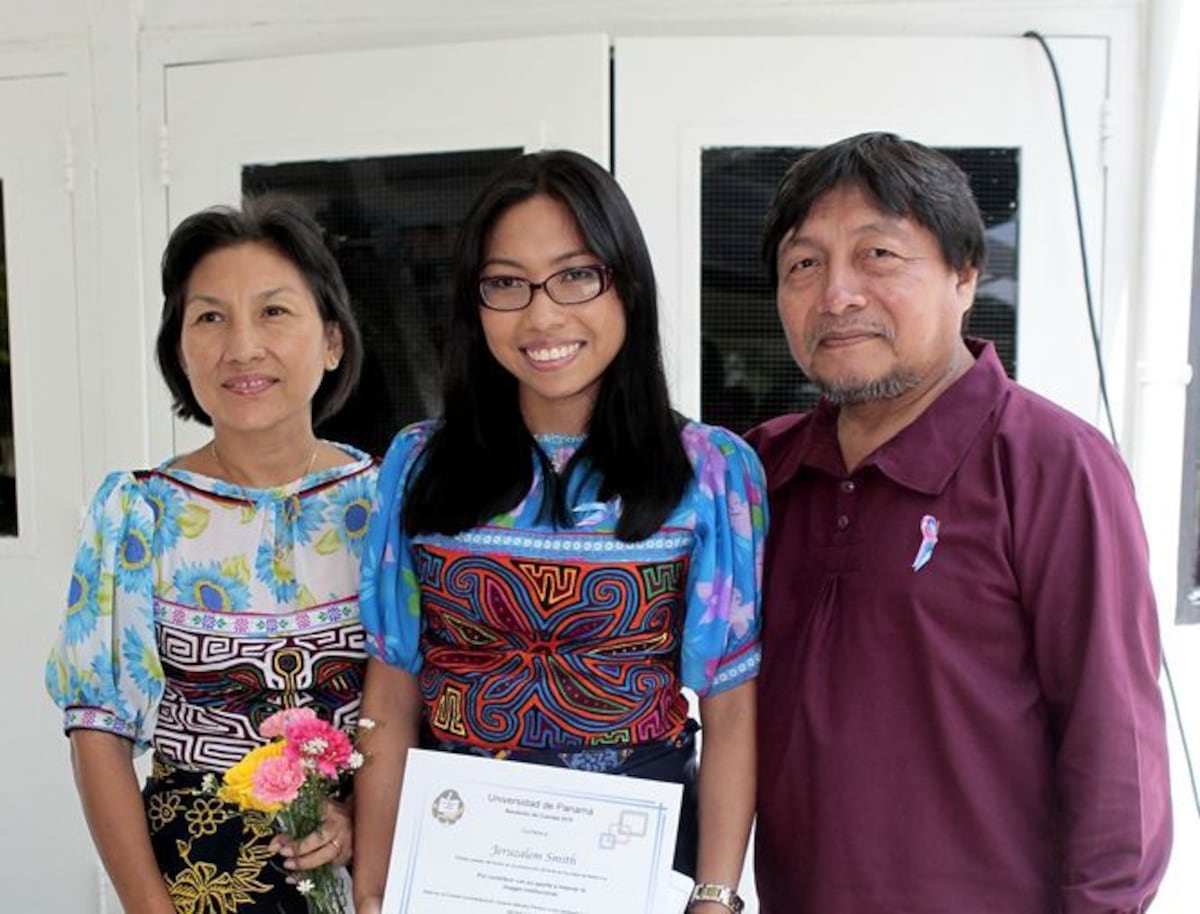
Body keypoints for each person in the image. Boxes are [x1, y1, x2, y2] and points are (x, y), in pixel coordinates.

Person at [746, 131, 1172, 913]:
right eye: (804, 264)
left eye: (877, 255)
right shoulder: (761, 472)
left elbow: (1118, 757)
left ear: (965, 274)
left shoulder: (1050, 464)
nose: (837, 294)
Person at [352, 150, 766, 914]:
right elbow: (392, 689)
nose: (542, 316)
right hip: (453, 866)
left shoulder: (708, 473)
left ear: (627, 286)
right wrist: (372, 890)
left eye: (576, 275)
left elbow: (732, 706)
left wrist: (714, 897)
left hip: (636, 869)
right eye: (506, 283)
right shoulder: (417, 465)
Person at [45, 196, 378, 913]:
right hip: (194, 875)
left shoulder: (388, 507)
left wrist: (356, 820)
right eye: (210, 317)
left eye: (274, 312)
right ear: (179, 351)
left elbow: (420, 704)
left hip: (369, 866)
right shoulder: (136, 514)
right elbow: (97, 734)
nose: (242, 347)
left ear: (332, 340)